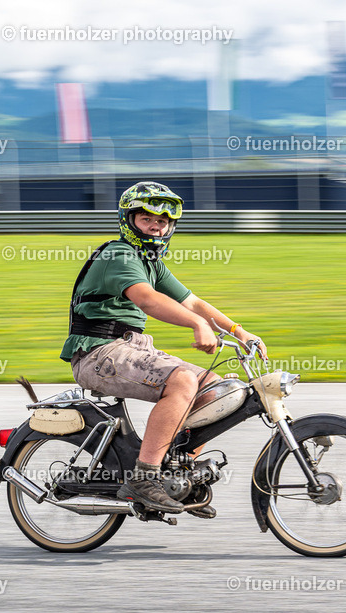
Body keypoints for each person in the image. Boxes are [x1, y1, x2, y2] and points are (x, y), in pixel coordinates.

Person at [60, 181, 266, 517]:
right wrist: (196, 326)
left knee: (215, 388)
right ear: (129, 220)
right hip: (98, 352)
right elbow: (147, 299)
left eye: (163, 221)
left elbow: (192, 301)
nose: (157, 225)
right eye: (147, 218)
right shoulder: (119, 254)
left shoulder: (151, 262)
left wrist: (239, 332)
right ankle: (145, 477)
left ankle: (178, 474)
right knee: (183, 382)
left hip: (131, 347)